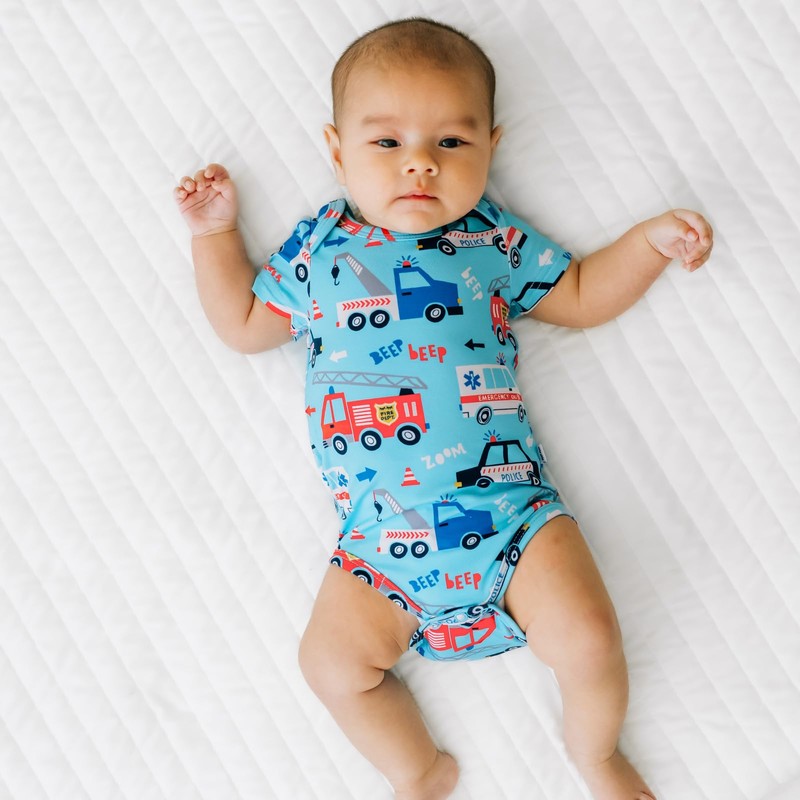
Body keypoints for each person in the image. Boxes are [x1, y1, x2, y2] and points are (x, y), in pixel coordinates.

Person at [174, 17, 712, 800]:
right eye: (387, 142)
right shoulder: (319, 252)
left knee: (590, 637)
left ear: (491, 146)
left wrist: (648, 245)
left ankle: (596, 755)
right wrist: (214, 235)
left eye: (451, 143)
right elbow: (243, 325)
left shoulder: (490, 240)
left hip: (513, 518)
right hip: (379, 543)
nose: (420, 162)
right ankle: (417, 768)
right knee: (328, 665)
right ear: (337, 152)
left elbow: (581, 294)